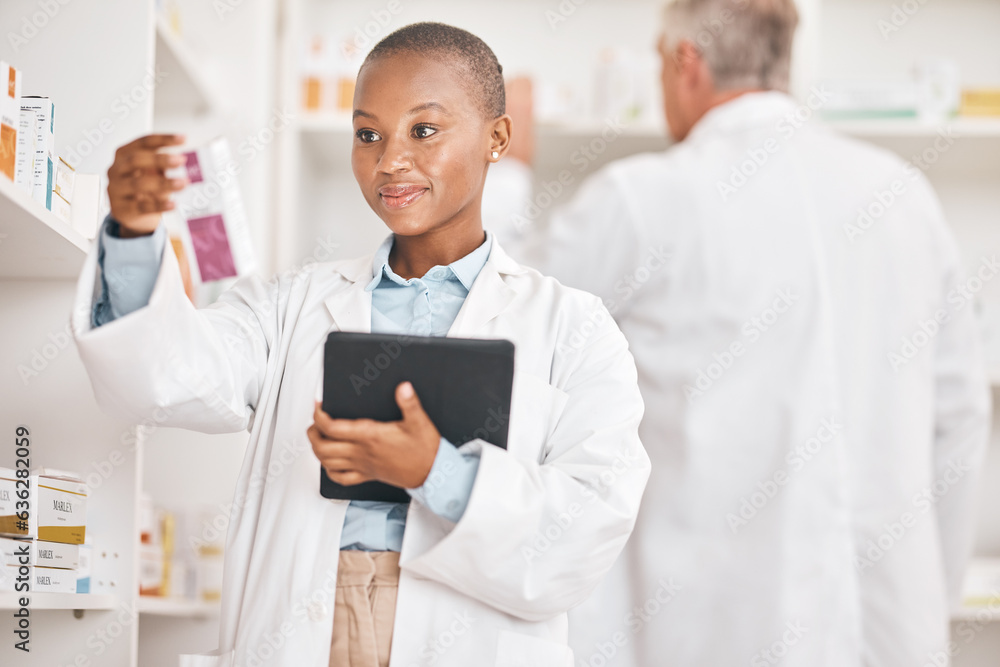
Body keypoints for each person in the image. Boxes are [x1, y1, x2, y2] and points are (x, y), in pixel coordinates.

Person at [71, 22, 649, 667]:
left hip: (462, 631)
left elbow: (590, 525)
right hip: (304, 626)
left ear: (498, 139)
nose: (389, 159)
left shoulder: (574, 327)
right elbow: (163, 377)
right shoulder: (291, 305)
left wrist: (435, 472)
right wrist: (129, 234)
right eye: (368, 133)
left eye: (423, 131)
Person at [487, 0, 991, 665]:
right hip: (892, 630)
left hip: (712, 630)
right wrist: (930, 590)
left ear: (686, 64)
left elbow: (499, 328)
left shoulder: (645, 199)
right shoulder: (902, 194)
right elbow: (961, 414)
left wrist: (505, 172)